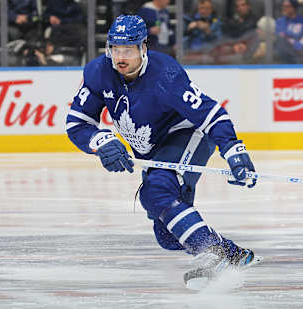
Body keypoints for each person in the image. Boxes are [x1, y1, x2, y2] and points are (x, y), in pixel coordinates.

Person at [66, 15, 260, 288]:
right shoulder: (99, 72)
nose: (120, 57)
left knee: (155, 192)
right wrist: (100, 141)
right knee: (167, 235)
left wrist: (233, 150)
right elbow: (78, 123)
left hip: (186, 136)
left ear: (143, 47)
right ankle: (227, 251)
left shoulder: (165, 75)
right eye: (115, 49)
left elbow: (211, 113)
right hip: (154, 153)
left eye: (128, 50)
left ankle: (212, 254)